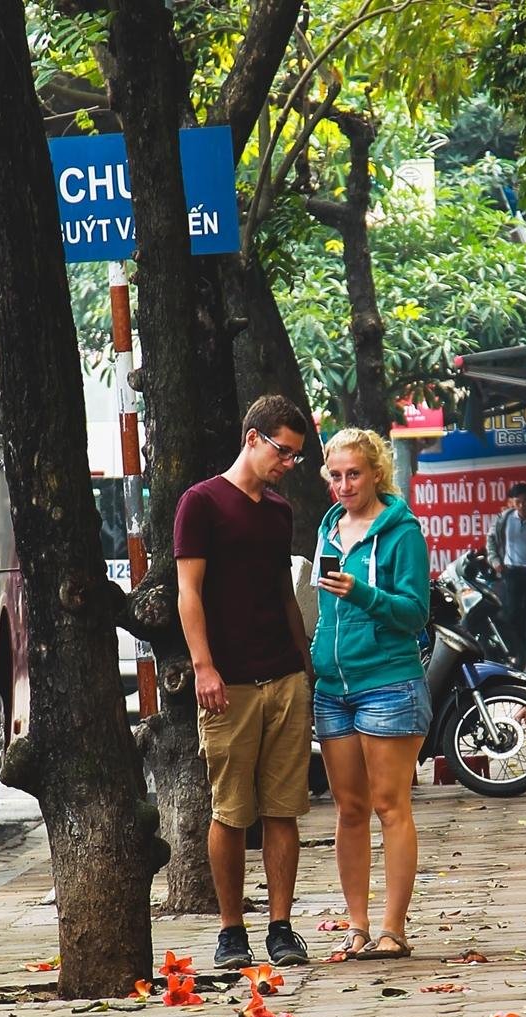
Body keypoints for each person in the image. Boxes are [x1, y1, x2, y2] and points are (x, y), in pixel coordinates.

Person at [175, 395, 315, 972]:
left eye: (297, 457)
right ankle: (231, 929)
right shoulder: (201, 503)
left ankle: (281, 926)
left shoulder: (278, 512)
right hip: (228, 683)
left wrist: (306, 662)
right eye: (283, 451)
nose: (288, 463)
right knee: (230, 810)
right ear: (252, 438)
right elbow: (189, 593)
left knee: (284, 809)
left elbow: (285, 594)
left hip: (284, 676)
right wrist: (204, 666)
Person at [312, 428, 431, 961]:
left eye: (353, 474)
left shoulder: (402, 531)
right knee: (349, 809)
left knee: (390, 805)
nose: (344, 485)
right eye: (335, 476)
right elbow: (321, 604)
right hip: (333, 688)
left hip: (388, 681)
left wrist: (363, 593)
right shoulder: (330, 528)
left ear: (376, 473)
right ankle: (356, 924)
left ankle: (393, 927)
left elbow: (415, 614)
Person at [486, 481, 526, 669]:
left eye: (525, 501)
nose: (522, 506)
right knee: (513, 617)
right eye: (518, 502)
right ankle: (517, 656)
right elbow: (491, 541)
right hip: (512, 573)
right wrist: (495, 561)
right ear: (512, 502)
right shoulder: (503, 520)